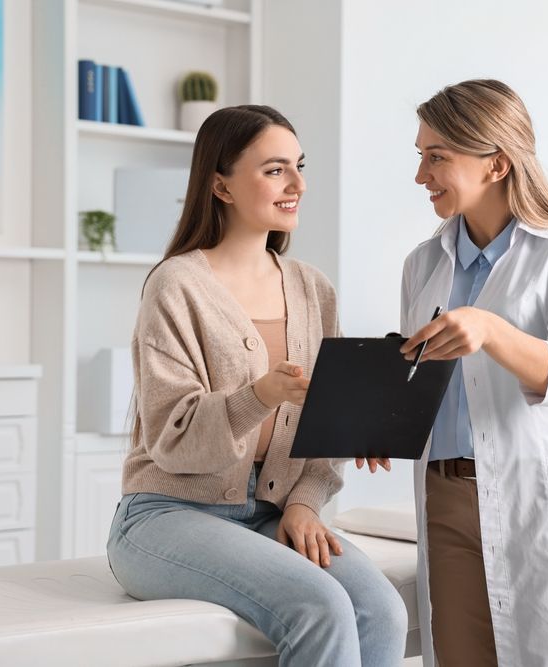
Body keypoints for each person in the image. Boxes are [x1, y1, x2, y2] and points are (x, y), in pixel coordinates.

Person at [106, 104, 408, 667]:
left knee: (382, 611)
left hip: (270, 513)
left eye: (299, 165)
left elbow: (325, 427)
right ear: (219, 185)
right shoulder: (176, 286)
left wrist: (305, 504)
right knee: (318, 605)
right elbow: (173, 441)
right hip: (166, 515)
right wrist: (262, 395)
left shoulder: (313, 287)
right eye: (274, 170)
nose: (297, 184)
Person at [359, 79, 548, 665]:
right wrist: (379, 422)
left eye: (437, 158)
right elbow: (423, 374)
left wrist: (491, 329)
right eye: (421, 156)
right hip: (445, 496)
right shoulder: (423, 262)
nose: (421, 176)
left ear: (497, 162)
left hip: (538, 491)